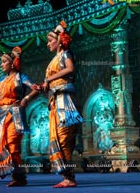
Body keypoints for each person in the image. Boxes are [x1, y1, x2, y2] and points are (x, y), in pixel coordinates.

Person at [0, 46, 39, 187]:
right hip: (2, 116)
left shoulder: (20, 77)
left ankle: (20, 177)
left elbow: (35, 88)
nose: (1, 64)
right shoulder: (1, 80)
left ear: (12, 63)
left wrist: (26, 99)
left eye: (4, 61)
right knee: (5, 146)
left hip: (15, 114)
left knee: (13, 145)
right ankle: (16, 176)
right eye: (1, 62)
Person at [40, 20, 83, 188]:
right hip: (55, 101)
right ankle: (67, 176)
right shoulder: (54, 60)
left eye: (50, 40)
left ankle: (70, 178)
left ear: (59, 40)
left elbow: (70, 69)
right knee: (57, 138)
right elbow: (52, 81)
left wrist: (49, 79)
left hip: (65, 101)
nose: (48, 44)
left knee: (64, 138)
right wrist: (44, 86)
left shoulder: (66, 54)